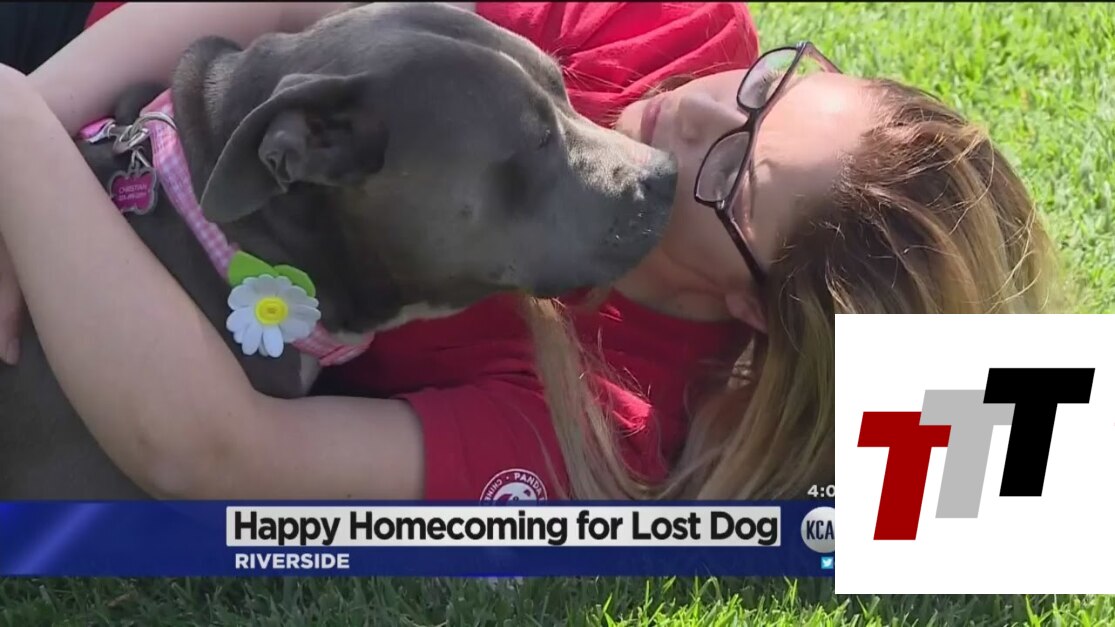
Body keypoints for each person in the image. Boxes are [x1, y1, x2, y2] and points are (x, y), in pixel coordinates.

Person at [0, 2, 1058, 503]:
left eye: (736, 169)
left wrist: (18, 149)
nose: (695, 113)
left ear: (753, 305)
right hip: (97, 40)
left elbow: (217, 454)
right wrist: (39, 118)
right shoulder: (668, 32)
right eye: (765, 88)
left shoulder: (602, 420)